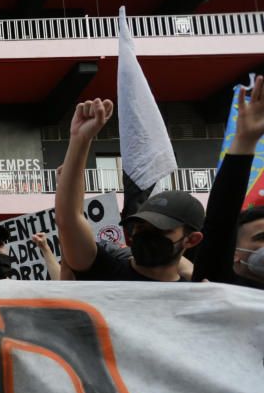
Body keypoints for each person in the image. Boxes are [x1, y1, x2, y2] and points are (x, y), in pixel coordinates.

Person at [55, 98, 204, 282]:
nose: (145, 236)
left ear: (191, 239)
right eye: (140, 227)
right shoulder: (105, 271)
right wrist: (80, 138)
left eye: (160, 230)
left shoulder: (199, 296)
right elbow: (69, 219)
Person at [193, 75, 264, 289]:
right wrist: (245, 140)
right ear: (234, 253)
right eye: (261, 237)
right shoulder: (220, 285)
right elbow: (220, 220)